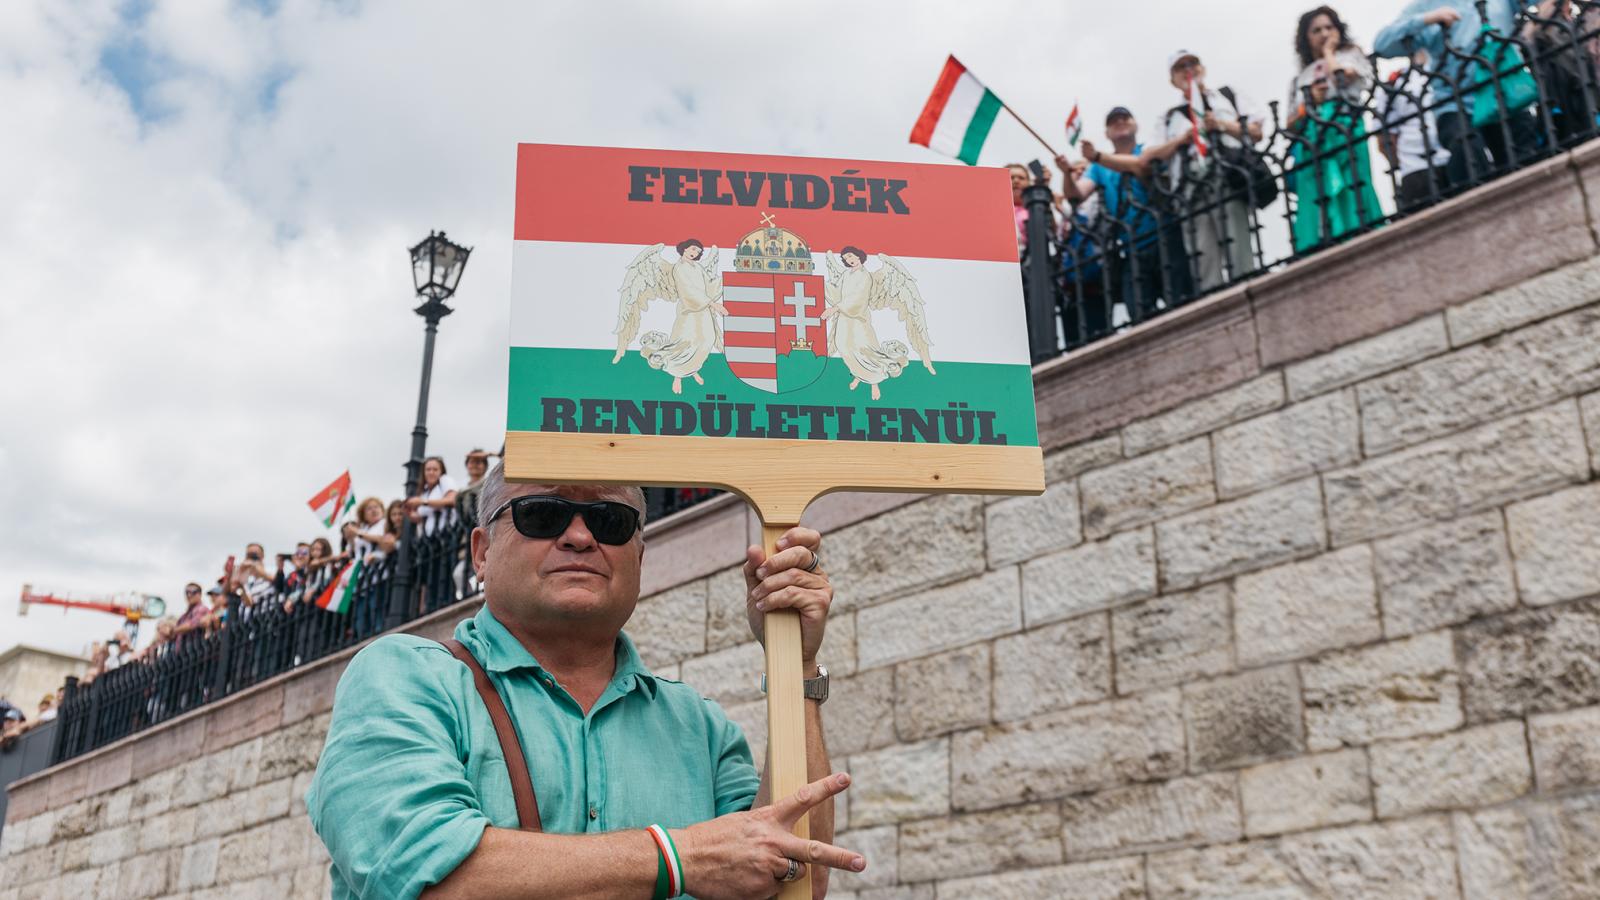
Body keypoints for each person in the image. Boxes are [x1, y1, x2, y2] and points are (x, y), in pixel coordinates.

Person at [308, 463, 858, 899]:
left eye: (610, 520)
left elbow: (794, 880)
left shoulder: (699, 724)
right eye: (541, 514)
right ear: (481, 551)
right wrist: (680, 857)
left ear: (639, 556)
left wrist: (798, 665)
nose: (578, 535)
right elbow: (425, 874)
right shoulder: (404, 676)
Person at [1088, 51, 1266, 291]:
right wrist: (1181, 140)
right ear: (1173, 79)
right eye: (1181, 67)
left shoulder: (1227, 96)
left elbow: (1256, 131)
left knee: (1241, 255)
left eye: (1193, 63)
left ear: (1203, 68)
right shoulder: (1169, 117)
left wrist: (1222, 125)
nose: (1188, 70)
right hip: (1190, 190)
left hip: (1229, 179)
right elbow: (1148, 157)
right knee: (1205, 263)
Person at [1375, 0, 1541, 190]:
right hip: (1456, 104)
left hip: (1508, 96)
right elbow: (1382, 45)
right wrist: (1427, 19)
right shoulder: (1425, 6)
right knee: (1467, 154)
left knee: (1526, 160)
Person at [1067, 107, 1195, 326]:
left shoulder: (1149, 151)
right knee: (1139, 315)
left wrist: (1097, 156)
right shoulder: (1097, 169)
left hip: (1165, 237)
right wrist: (1065, 175)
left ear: (1136, 125)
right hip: (1132, 248)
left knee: (1183, 306)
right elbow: (1076, 195)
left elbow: (1140, 166)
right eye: (1113, 121)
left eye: (1125, 118)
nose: (1120, 122)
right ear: (1107, 133)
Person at [1286, 6, 1384, 251]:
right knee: (1320, 192)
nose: (1324, 33)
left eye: (1329, 27)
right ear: (1306, 38)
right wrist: (1310, 103)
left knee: (1354, 183)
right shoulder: (1301, 78)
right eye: (1317, 30)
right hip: (1315, 138)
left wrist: (1330, 53)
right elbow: (1289, 123)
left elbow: (1343, 77)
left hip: (1345, 127)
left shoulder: (1350, 56)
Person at [1377, 50, 1454, 211]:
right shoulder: (1394, 82)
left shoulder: (1451, 66)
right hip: (1415, 171)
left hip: (1457, 159)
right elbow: (1385, 140)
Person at [405, 456, 459, 537]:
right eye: (428, 469)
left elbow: (452, 499)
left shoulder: (445, 480)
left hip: (446, 535)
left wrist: (422, 502)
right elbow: (422, 517)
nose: (431, 472)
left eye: (435, 469)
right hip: (429, 539)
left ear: (441, 471)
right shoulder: (425, 492)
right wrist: (409, 512)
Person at [455, 450, 492, 530]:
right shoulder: (461, 488)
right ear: (467, 465)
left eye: (478, 462)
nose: (475, 465)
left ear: (485, 466)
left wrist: (490, 454)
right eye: (472, 462)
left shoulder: (489, 484)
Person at [352, 498, 390, 563]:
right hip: (364, 568)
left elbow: (383, 539)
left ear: (382, 510)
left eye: (376, 507)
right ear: (363, 515)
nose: (374, 510)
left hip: (380, 565)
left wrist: (360, 534)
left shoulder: (386, 523)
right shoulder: (363, 529)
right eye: (369, 509)